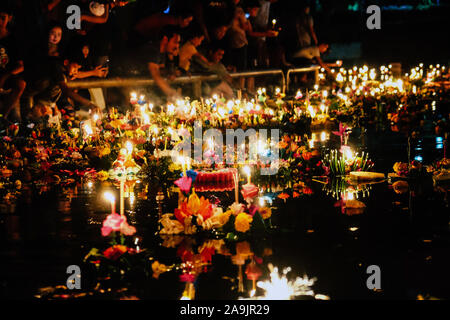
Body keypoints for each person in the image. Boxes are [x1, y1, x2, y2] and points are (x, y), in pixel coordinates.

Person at [134, 27, 182, 100]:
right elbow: (155, 74)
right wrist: (171, 93)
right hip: (126, 85)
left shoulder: (161, 52)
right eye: (175, 42)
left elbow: (160, 71)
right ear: (165, 39)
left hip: (139, 88)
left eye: (178, 43)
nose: (177, 46)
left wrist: (169, 72)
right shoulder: (153, 50)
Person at [0, 4, 26, 123]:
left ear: (9, 18)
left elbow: (21, 66)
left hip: (8, 79)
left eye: (2, 18)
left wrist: (6, 76)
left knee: (21, 84)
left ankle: (3, 117)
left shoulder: (13, 39)